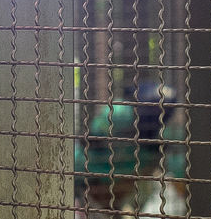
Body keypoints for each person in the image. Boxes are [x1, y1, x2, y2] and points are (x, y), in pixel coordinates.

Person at [74, 82, 187, 217]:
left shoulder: (161, 140)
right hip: (89, 172)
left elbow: (178, 168)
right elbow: (93, 138)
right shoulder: (120, 113)